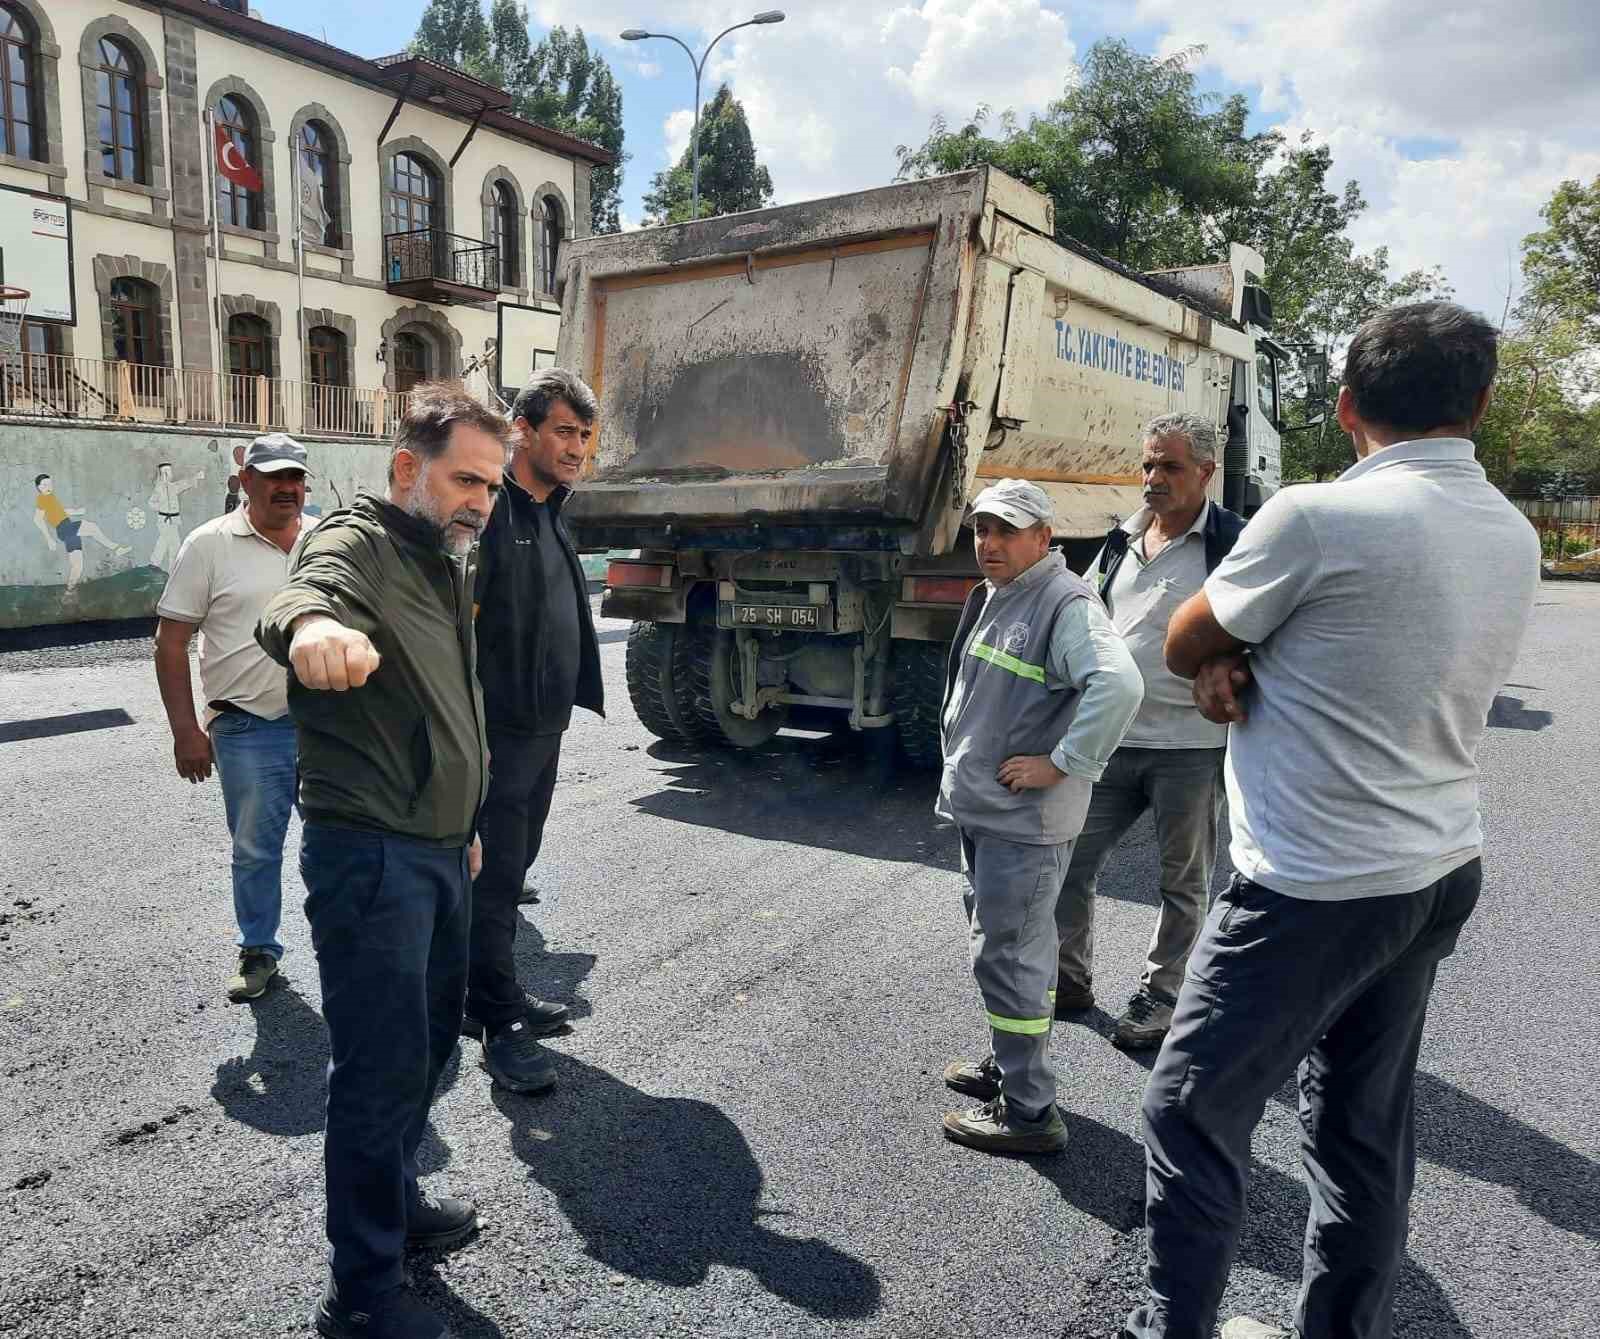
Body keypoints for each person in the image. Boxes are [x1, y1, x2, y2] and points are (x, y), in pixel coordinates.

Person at [1122, 302, 1541, 1339]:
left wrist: (1229, 657)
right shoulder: (1512, 530)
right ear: (1479, 404)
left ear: (1346, 405)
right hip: (1436, 865)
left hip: (1311, 883)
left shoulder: (1315, 516)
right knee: (1358, 1132)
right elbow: (1367, 654)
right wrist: (1252, 660)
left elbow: (1183, 638)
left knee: (1188, 1111)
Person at [256, 383, 507, 1339]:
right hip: (371, 855)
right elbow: (301, 601)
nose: (481, 498)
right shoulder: (355, 542)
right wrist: (314, 633)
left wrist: (466, 816)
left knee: (433, 1047)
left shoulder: (443, 557)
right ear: (408, 468)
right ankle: (361, 1295)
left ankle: (398, 1206)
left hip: (441, 846)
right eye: (465, 479)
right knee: (377, 1068)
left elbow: (446, 700)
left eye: (490, 482)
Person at [938, 478, 1143, 1156]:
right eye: (981, 529)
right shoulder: (1005, 593)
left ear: (1042, 538)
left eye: (1006, 530)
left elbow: (1118, 683)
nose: (989, 543)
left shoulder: (1062, 602)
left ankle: (1028, 1110)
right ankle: (1010, 1061)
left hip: (1023, 823)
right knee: (1008, 954)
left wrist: (1062, 761)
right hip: (991, 813)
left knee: (1012, 956)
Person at [1055, 413, 1246, 1048]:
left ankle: (1163, 994)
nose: (1152, 479)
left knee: (1182, 881)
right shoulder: (1120, 541)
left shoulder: (1234, 545)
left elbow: (1267, 630)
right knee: (1069, 859)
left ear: (1206, 473)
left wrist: (1231, 666)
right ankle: (1067, 977)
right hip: (1112, 739)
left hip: (1190, 746)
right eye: (1148, 464)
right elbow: (1084, 619)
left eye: (1169, 466)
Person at [464, 368, 604, 1093]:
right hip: (496, 737)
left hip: (543, 731)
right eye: (564, 431)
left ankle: (483, 991)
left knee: (513, 869)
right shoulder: (492, 513)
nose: (577, 445)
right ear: (523, 429)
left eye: (584, 434)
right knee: (493, 876)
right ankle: (497, 1022)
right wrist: (472, 734)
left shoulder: (553, 509)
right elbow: (458, 631)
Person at [153, 432, 312, 1003]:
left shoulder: (324, 540)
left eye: (295, 478)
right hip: (247, 726)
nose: (287, 489)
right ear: (246, 481)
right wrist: (185, 732)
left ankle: (345, 945)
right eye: (274, 478)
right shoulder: (208, 545)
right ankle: (259, 949)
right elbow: (171, 643)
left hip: (328, 726)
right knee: (255, 849)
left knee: (340, 841)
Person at [32, 473, 131, 593]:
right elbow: (37, 519)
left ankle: (69, 591)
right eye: (44, 485)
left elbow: (60, 512)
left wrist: (76, 511)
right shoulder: (42, 498)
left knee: (77, 566)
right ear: (38, 487)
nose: (48, 487)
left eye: (50, 484)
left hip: (68, 531)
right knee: (92, 527)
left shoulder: (50, 497)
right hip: (65, 528)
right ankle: (116, 548)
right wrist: (49, 539)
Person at [149, 460, 207, 570]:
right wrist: (160, 507)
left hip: (174, 520)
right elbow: (151, 503)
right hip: (164, 519)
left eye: (169, 472)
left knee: (166, 542)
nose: (167, 474)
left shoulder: (173, 487)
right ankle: (165, 565)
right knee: (172, 543)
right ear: (161, 474)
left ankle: (157, 563)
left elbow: (184, 484)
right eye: (165, 472)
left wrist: (196, 477)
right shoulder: (159, 489)